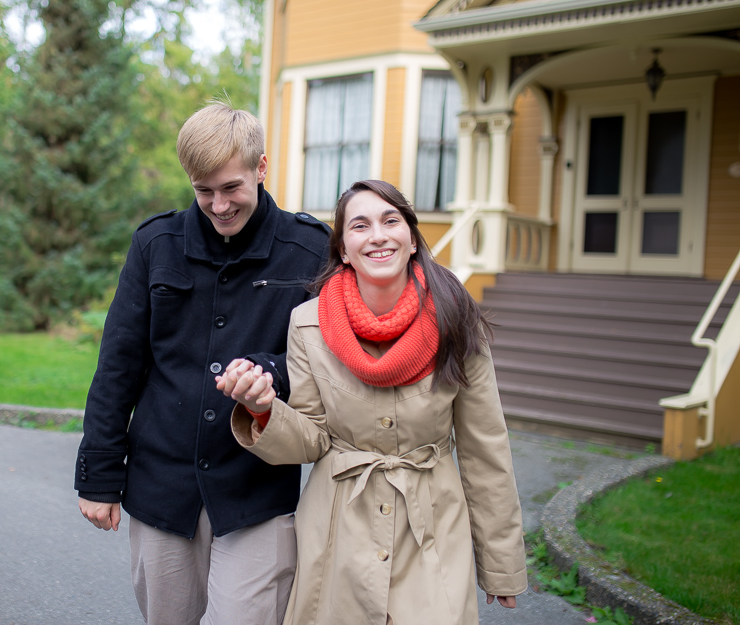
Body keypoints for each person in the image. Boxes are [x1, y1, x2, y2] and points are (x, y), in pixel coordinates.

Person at [218, 179, 527, 625]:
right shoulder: (308, 325)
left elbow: (486, 451)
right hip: (338, 530)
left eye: (390, 220)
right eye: (360, 226)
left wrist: (501, 562)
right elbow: (312, 440)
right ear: (343, 248)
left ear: (412, 238)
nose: (378, 235)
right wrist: (265, 410)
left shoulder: (458, 320)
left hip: (433, 530)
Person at [74, 102, 330, 625]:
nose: (218, 205)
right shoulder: (155, 244)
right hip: (161, 487)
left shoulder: (310, 248)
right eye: (202, 190)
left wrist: (270, 373)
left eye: (231, 187)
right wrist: (98, 476)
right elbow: (118, 363)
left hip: (258, 489)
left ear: (261, 168)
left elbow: (324, 361)